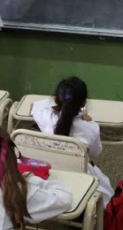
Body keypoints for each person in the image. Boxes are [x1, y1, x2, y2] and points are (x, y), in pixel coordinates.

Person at [32, 77, 113, 206]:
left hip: (48, 173)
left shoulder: (45, 117)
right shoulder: (91, 127)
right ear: (84, 102)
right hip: (79, 175)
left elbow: (35, 106)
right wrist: (86, 118)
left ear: (56, 99)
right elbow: (95, 153)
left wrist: (58, 104)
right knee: (106, 187)